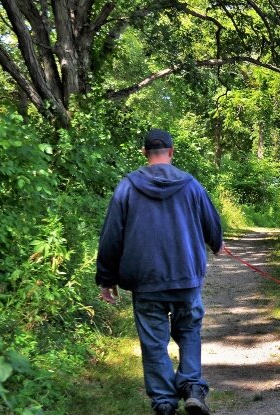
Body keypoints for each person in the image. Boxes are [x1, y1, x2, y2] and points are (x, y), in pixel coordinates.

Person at [95, 129, 223, 415]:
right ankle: (191, 386)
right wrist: (216, 243)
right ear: (171, 151)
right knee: (189, 330)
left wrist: (106, 279)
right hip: (185, 276)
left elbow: (111, 236)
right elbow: (211, 222)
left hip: (145, 279)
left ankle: (164, 402)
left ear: (144, 153)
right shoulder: (190, 185)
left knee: (153, 341)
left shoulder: (127, 186)